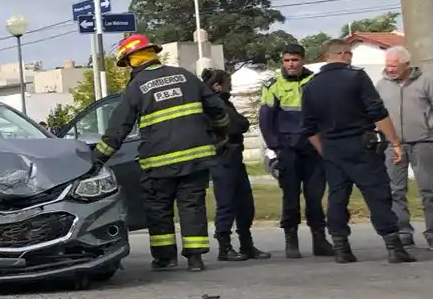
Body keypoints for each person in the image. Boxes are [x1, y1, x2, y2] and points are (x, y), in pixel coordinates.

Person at [93, 34, 229, 272]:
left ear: (132, 61)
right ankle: (195, 259)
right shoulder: (186, 76)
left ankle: (166, 257)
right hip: (195, 158)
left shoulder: (136, 88)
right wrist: (220, 134)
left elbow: (118, 129)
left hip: (159, 162)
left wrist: (97, 159)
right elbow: (217, 109)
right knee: (192, 206)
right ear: (152, 54)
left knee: (158, 209)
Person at [299, 39, 413, 264]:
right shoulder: (356, 77)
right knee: (377, 194)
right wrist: (395, 142)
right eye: (349, 54)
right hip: (361, 146)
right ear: (344, 54)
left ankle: (341, 248)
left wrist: (325, 150)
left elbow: (309, 128)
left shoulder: (310, 86)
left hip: (331, 148)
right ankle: (393, 246)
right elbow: (377, 112)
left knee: (337, 198)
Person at [259, 45, 333, 259]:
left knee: (315, 196)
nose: (290, 64)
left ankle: (319, 239)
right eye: (287, 60)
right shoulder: (274, 85)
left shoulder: (316, 82)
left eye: (295, 60)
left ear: (303, 60)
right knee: (290, 197)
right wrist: (275, 147)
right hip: (288, 150)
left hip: (313, 150)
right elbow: (266, 119)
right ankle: (291, 240)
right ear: (282, 62)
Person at [376, 46, 433, 251]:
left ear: (406, 64)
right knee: (396, 190)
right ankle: (404, 232)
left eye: (394, 66)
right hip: (393, 145)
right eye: (387, 66)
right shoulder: (381, 85)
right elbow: (375, 113)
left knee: (428, 190)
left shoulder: (427, 81)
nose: (389, 70)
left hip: (423, 142)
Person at [202, 68, 269, 262]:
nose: (230, 86)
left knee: (245, 204)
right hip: (222, 159)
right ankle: (225, 247)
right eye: (228, 83)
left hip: (234, 158)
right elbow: (238, 124)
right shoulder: (212, 105)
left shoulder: (224, 103)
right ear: (217, 86)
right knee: (227, 204)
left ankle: (246, 245)